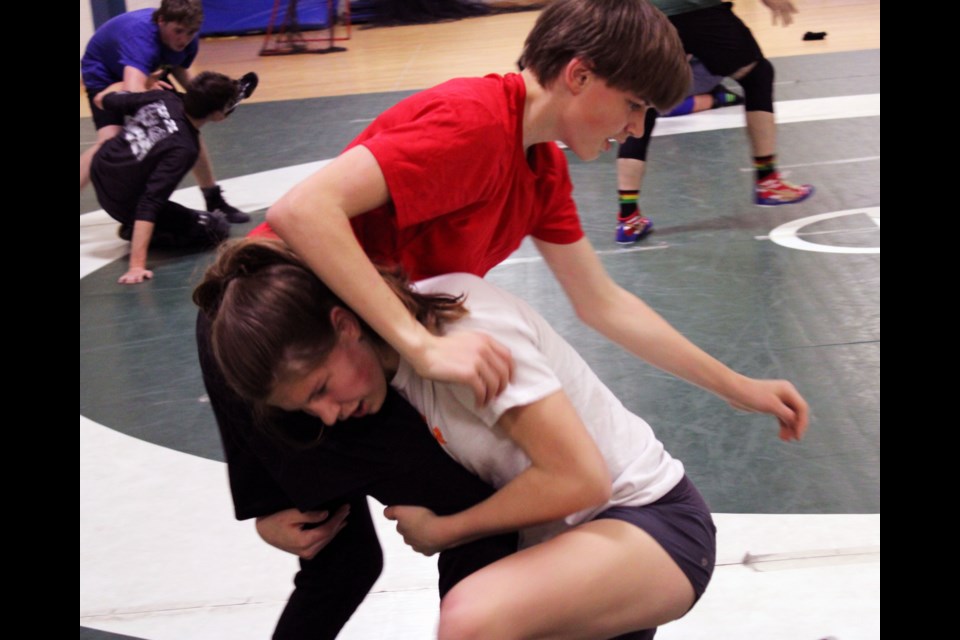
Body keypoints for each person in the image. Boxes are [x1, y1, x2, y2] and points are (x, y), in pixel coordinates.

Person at [202, 0, 807, 636]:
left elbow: (603, 302)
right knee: (413, 532)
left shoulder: (540, 167)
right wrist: (270, 488)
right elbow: (301, 211)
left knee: (423, 540)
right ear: (579, 75)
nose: (634, 128)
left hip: (347, 347)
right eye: (632, 105)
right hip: (270, 329)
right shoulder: (474, 122)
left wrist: (738, 387)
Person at [194, 237, 807, 639]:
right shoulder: (395, 368)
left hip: (651, 527)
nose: (329, 415)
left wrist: (444, 532)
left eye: (323, 387)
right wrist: (268, 505)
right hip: (566, 547)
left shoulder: (466, 335)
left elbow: (581, 480)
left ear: (345, 323)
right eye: (308, 408)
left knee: (469, 621)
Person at [615, 0, 815, 245]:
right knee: (757, 74)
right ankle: (767, 179)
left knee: (644, 105)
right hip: (694, 10)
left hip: (644, 17)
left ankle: (628, 217)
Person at [80, 0, 249, 222]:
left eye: (190, 33)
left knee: (190, 123)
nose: (184, 39)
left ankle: (213, 197)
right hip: (105, 75)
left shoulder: (186, 37)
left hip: (144, 72)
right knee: (108, 143)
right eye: (178, 31)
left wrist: (203, 100)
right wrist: (153, 93)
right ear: (161, 21)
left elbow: (177, 66)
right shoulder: (141, 40)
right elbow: (132, 94)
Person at [90, 71, 255, 284]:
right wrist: (136, 266)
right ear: (218, 116)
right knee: (216, 227)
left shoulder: (163, 98)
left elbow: (101, 100)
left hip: (102, 169)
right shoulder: (184, 148)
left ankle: (138, 227)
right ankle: (142, 231)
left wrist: (137, 82)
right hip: (121, 202)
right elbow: (150, 201)